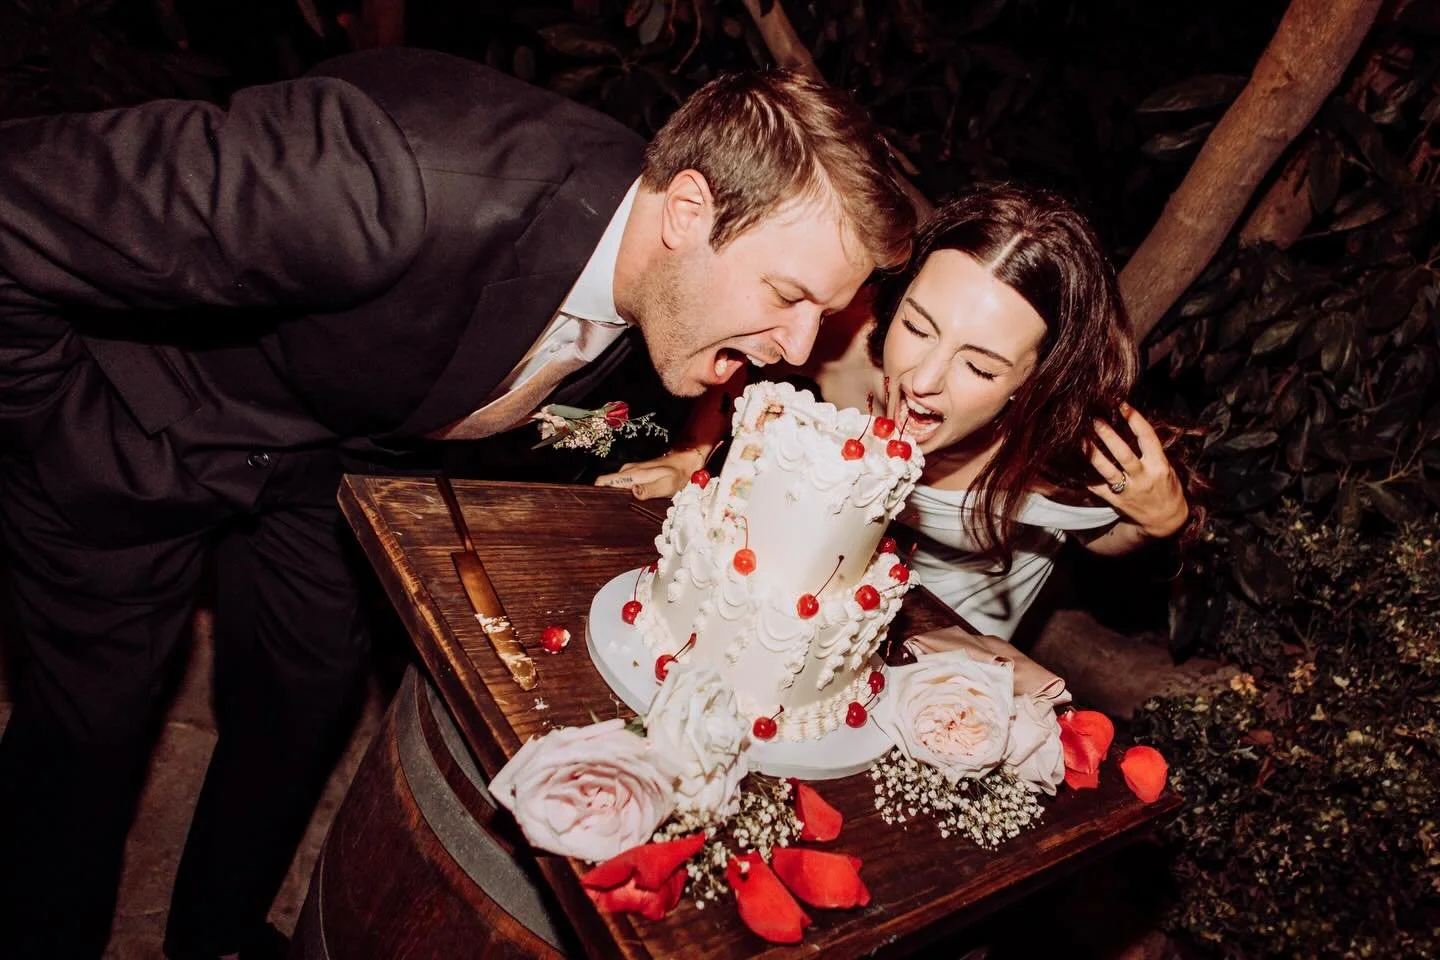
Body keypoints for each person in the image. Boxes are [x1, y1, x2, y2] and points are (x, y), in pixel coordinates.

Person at [0, 47, 914, 959]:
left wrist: (679, 456)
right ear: (686, 211)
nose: (800, 347)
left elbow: (565, 410)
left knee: (307, 691)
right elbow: (17, 206)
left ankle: (217, 938)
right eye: (789, 296)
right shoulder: (386, 177)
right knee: (92, 730)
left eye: (821, 315)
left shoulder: (664, 294)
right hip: (131, 422)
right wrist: (59, 427)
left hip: (325, 461)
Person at [600, 181, 1197, 640]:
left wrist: (1158, 523)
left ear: (1035, 380)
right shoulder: (835, 341)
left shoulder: (1063, 448)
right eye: (917, 326)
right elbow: (741, 366)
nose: (922, 380)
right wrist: (693, 453)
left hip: (955, 645)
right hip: (802, 611)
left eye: (980, 367)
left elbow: (1099, 534)